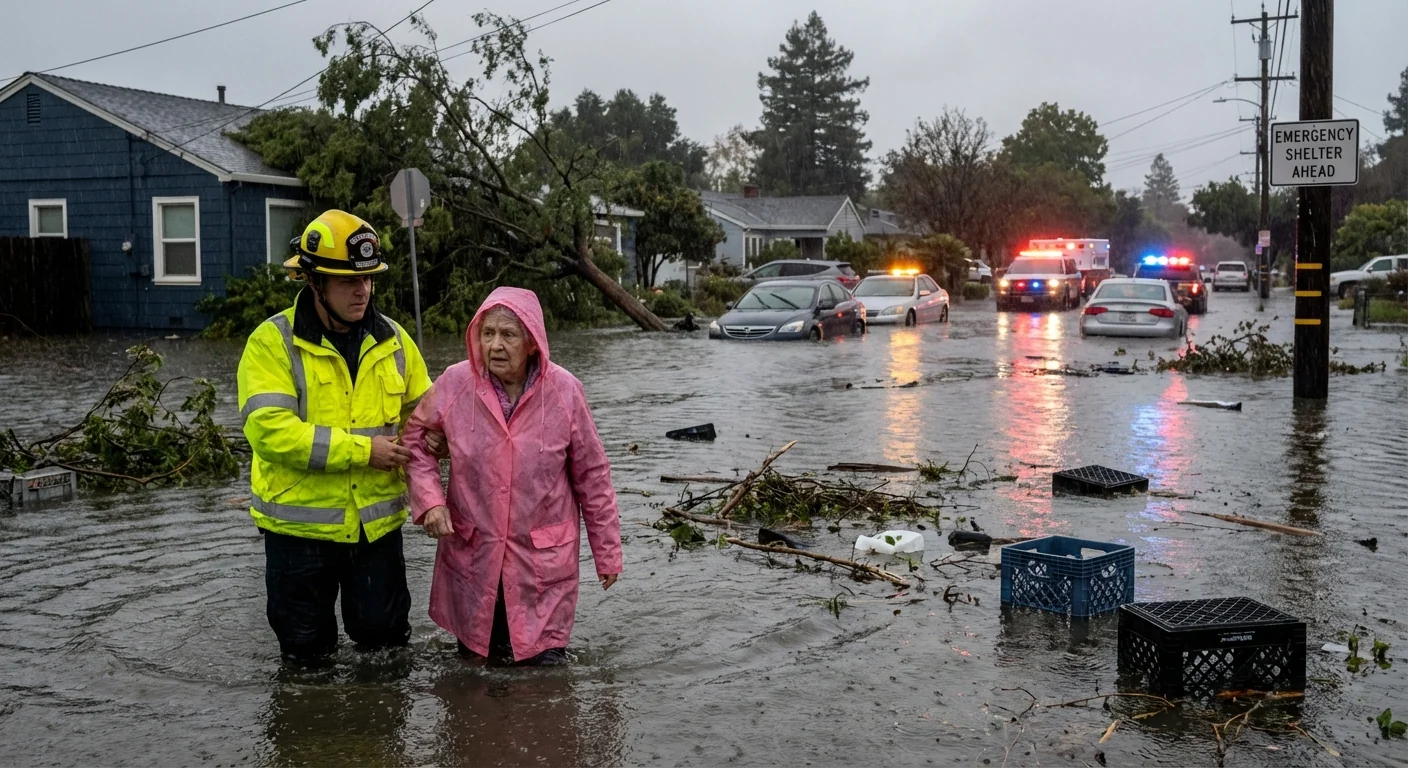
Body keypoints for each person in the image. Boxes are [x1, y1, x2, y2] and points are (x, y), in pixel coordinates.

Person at [237, 209, 433, 665]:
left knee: (386, 651)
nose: (362, 290)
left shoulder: (396, 340)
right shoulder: (272, 344)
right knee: (305, 661)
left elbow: (427, 416)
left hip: (375, 529)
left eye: (367, 280)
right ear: (313, 282)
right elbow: (271, 433)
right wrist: (365, 451)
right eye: (347, 281)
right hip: (298, 534)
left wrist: (436, 439)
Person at [403, 287, 623, 666]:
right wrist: (430, 502)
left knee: (545, 674)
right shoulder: (456, 384)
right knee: (475, 672)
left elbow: (593, 477)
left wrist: (607, 552)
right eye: (487, 334)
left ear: (533, 342)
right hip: (475, 550)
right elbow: (415, 441)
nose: (496, 345)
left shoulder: (566, 392)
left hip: (540, 560)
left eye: (508, 335)